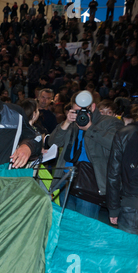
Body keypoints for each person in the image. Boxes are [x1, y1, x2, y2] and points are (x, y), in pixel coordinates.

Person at [47, 91, 124, 219]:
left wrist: (90, 127)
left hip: (90, 182)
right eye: (76, 111)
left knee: (84, 225)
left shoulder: (109, 122)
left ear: (93, 107)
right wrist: (66, 123)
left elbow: (115, 144)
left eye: (83, 110)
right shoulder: (72, 122)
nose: (80, 115)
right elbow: (53, 142)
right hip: (65, 179)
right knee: (65, 224)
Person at [107, 94, 138, 236]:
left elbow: (114, 174)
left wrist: (113, 207)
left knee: (127, 254)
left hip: (132, 202)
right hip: (134, 201)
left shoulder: (125, 133)